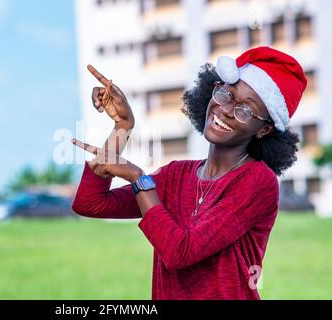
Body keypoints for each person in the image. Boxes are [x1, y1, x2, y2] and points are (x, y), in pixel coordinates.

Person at [71, 46, 307, 300]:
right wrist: (122, 126)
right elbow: (91, 204)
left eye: (246, 110)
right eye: (226, 94)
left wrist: (138, 178)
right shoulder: (175, 175)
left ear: (263, 130)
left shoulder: (258, 181)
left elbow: (179, 252)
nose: (226, 110)